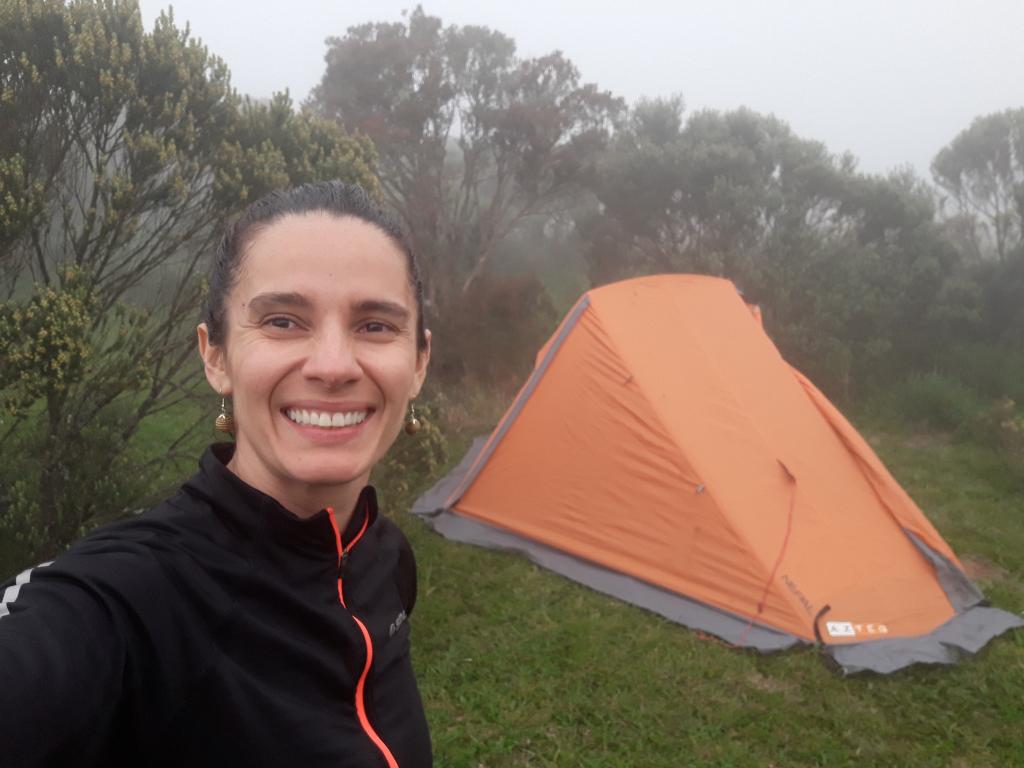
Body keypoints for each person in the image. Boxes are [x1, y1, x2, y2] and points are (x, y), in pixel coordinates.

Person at [0, 182, 434, 767]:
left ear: (419, 363)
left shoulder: (385, 558)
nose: (334, 366)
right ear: (216, 356)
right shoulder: (127, 600)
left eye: (376, 326)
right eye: (283, 321)